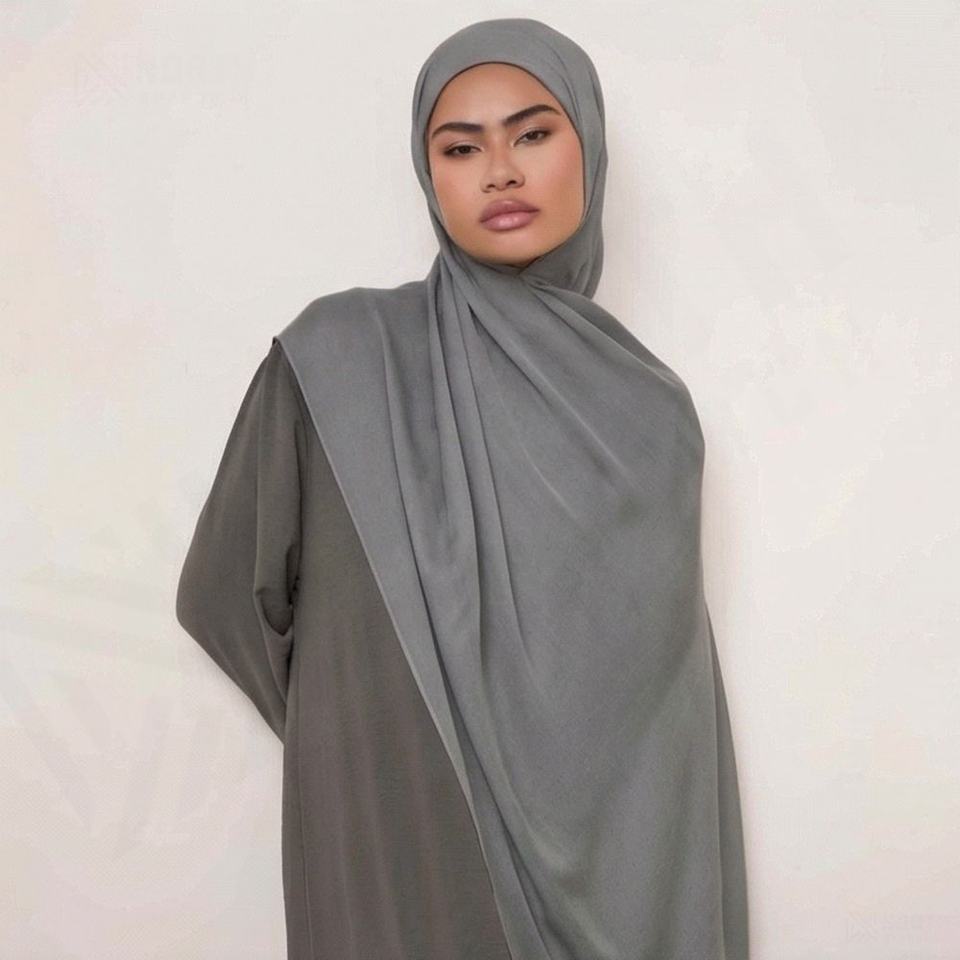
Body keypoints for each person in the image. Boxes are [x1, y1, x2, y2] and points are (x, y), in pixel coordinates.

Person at [176, 17, 749, 960]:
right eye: (460, 148)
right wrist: (378, 729)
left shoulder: (650, 420)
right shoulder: (339, 360)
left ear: (589, 147)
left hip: (622, 898)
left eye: (533, 134)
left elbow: (662, 732)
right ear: (429, 173)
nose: (500, 173)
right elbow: (224, 594)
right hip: (400, 843)